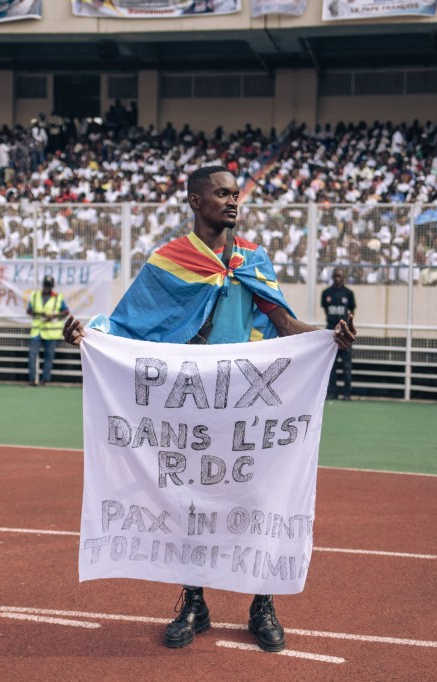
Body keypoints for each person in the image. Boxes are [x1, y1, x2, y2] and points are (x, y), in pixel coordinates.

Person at [63, 165, 356, 654]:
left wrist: (329, 338)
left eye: (235, 194)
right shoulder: (168, 261)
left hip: (247, 404)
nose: (232, 201)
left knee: (259, 499)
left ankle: (262, 604)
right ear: (196, 201)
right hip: (189, 407)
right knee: (190, 506)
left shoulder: (253, 260)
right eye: (221, 193)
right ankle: (194, 604)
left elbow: (283, 323)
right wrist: (87, 335)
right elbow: (130, 325)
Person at [26, 274, 69, 387]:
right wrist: (39, 313)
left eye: (49, 286)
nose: (47, 288)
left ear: (52, 286)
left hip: (51, 332)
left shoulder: (58, 297)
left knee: (49, 356)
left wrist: (53, 316)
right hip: (37, 330)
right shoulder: (35, 295)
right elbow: (29, 310)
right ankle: (31, 380)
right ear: (43, 285)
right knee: (32, 355)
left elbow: (66, 311)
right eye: (46, 285)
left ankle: (44, 380)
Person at [321, 267, 356, 400]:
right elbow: (326, 309)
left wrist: (347, 326)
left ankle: (347, 393)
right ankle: (331, 392)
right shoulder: (326, 293)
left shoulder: (349, 293)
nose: (337, 278)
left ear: (343, 278)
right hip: (331, 332)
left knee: (347, 365)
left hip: (345, 333)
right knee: (331, 365)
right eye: (335, 276)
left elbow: (352, 311)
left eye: (339, 276)